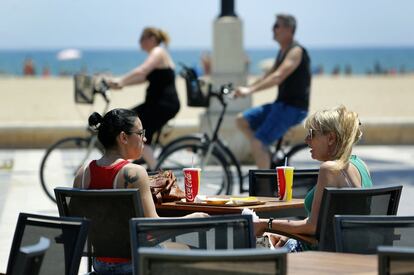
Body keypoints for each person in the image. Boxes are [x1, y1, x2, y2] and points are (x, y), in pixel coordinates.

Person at [73, 108, 208, 274]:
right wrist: (192, 219)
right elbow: (153, 227)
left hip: (100, 265)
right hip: (136, 265)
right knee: (196, 252)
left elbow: (73, 226)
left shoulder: (83, 172)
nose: (145, 138)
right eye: (140, 132)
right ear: (123, 137)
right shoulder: (135, 173)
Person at [254, 105, 373, 252]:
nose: (306, 140)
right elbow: (322, 222)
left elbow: (313, 227)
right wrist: (287, 234)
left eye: (311, 134)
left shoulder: (329, 169)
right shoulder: (361, 165)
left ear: (330, 138)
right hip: (353, 253)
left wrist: (265, 224)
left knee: (252, 244)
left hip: (317, 256)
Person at [234, 14, 311, 169]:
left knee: (258, 142)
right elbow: (267, 75)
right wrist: (245, 88)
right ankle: (266, 156)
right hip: (280, 105)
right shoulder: (282, 51)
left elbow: (277, 77)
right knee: (241, 120)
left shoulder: (296, 51)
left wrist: (249, 91)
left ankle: (266, 189)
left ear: (289, 29)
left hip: (292, 108)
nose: (272, 29)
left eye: (277, 26)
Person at [108, 27, 180, 170]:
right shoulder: (158, 54)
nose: (139, 42)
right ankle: (142, 163)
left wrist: (120, 79)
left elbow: (142, 70)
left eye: (142, 38)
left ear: (152, 38)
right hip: (158, 104)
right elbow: (142, 78)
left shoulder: (158, 52)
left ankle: (158, 173)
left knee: (130, 124)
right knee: (134, 126)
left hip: (163, 104)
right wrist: (122, 84)